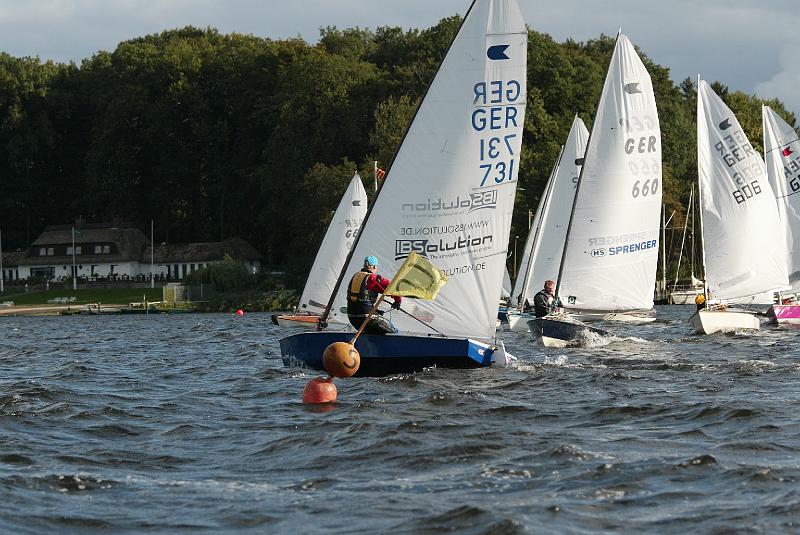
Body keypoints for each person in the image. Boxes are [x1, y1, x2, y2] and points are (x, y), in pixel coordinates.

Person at [347, 255, 402, 335]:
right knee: (393, 331)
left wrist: (376, 311)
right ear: (374, 266)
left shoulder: (355, 276)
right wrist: (398, 301)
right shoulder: (372, 278)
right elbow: (392, 287)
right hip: (366, 318)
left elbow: (361, 300)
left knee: (374, 330)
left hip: (352, 319)